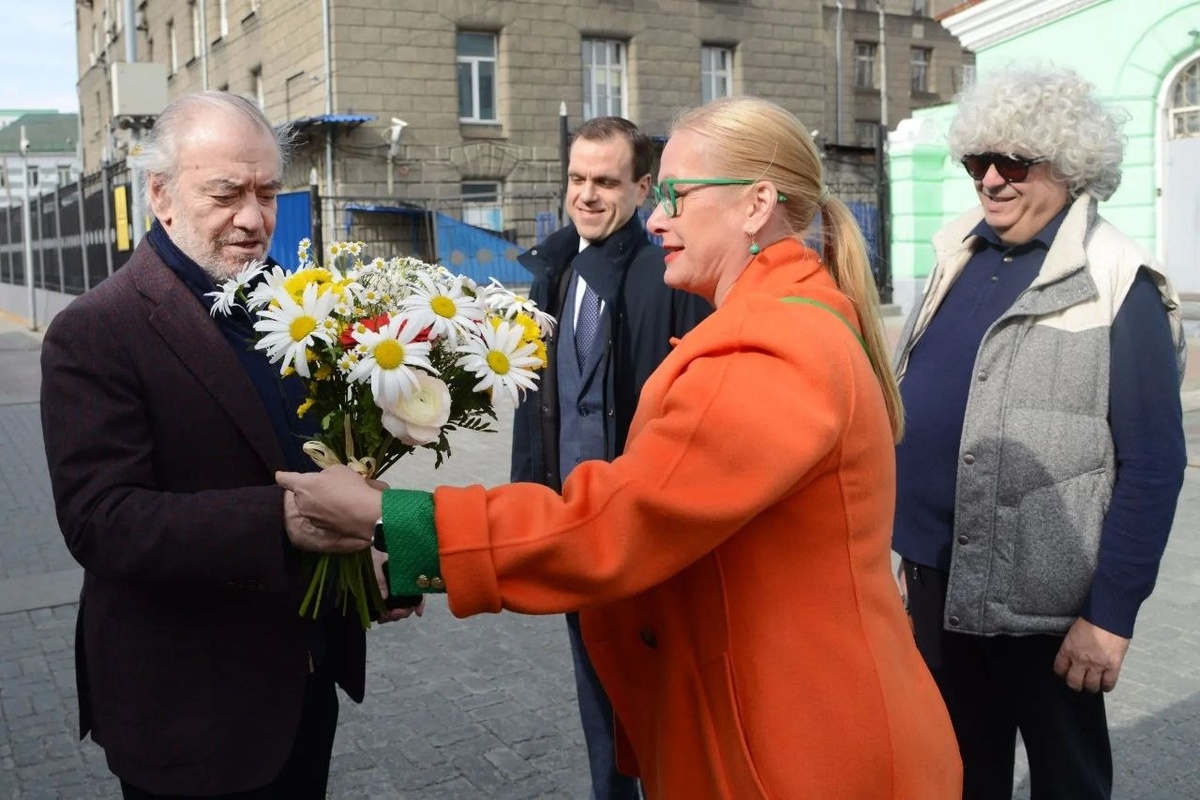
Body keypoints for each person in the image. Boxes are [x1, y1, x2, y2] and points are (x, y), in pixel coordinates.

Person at [278, 95, 963, 798]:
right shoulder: (782, 322)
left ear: (756, 203)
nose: (658, 215)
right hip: (782, 725)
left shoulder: (773, 348)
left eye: (674, 193)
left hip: (803, 747)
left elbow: (623, 518)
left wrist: (398, 521)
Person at [39, 91, 413, 800]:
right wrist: (281, 522)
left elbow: (318, 461)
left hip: (302, 689)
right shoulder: (97, 330)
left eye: (268, 192)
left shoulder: (294, 306)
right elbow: (102, 520)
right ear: (161, 195)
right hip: (189, 713)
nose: (253, 218)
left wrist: (369, 555)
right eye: (226, 193)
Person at [892, 65, 1186, 799]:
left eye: (1012, 163)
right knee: (954, 776)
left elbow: (1152, 465)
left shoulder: (1118, 279)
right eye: (975, 163)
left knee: (1068, 783)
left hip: (1050, 613)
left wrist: (1109, 616)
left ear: (1068, 163)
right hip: (938, 586)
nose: (990, 181)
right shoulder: (955, 253)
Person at [512, 115, 710, 799]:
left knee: (663, 712)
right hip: (575, 528)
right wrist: (527, 511)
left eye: (605, 181)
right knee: (598, 706)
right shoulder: (553, 269)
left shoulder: (673, 273)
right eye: (576, 179)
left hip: (647, 538)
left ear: (643, 187)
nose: (586, 195)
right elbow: (536, 403)